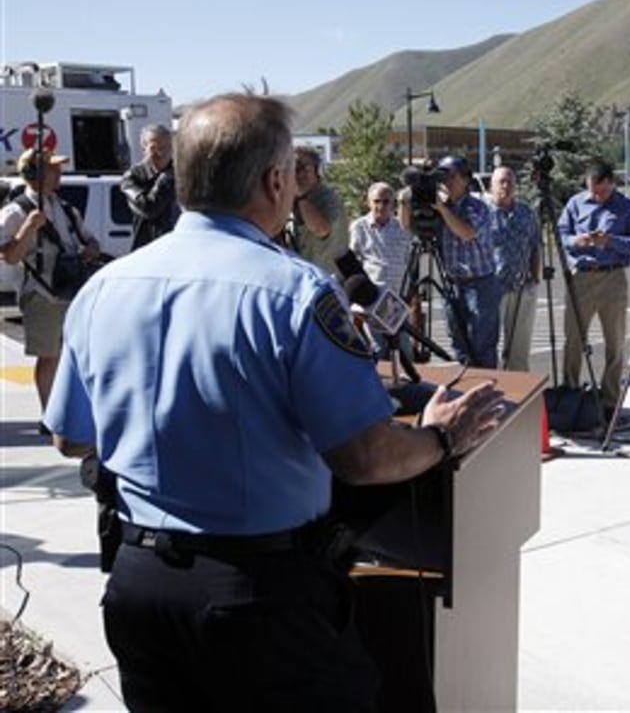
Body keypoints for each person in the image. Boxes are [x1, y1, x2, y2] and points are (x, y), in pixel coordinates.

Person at [42, 92, 507, 711]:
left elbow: (71, 437)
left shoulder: (104, 288)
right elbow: (366, 458)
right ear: (274, 181)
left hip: (140, 590)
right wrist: (441, 436)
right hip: (258, 597)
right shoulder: (295, 292)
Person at [0, 148, 101, 419]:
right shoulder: (16, 211)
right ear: (34, 174)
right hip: (41, 292)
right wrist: (28, 228)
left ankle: (70, 412)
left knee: (75, 353)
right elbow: (9, 256)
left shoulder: (65, 208)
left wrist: (90, 248)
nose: (59, 173)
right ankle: (50, 416)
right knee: (49, 356)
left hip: (71, 289)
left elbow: (90, 239)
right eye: (52, 169)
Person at [557, 160, 630, 415]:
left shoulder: (627, 207)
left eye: (602, 192)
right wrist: (577, 240)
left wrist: (610, 240)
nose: (597, 197)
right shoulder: (575, 203)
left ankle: (610, 399)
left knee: (615, 341)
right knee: (573, 339)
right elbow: (561, 235)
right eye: (593, 192)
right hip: (582, 277)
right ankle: (570, 391)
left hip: (613, 277)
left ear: (611, 183)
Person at [433, 156, 501, 368]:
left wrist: (443, 209)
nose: (447, 182)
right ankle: (466, 383)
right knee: (459, 343)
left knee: (482, 344)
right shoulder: (441, 208)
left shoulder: (477, 207)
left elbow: (467, 233)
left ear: (465, 179)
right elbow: (408, 228)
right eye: (443, 177)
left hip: (480, 283)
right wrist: (406, 200)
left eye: (452, 176)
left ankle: (488, 384)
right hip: (453, 283)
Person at [489, 165, 541, 371]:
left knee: (519, 349)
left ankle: (518, 384)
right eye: (501, 182)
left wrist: (535, 279)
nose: (506, 186)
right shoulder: (484, 214)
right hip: (493, 287)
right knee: (488, 345)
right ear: (491, 186)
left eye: (510, 182)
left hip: (521, 286)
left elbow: (535, 245)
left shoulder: (526, 213)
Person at [289, 145, 349, 278]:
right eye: (291, 167)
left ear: (316, 170)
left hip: (326, 278)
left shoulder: (329, 198)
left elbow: (321, 229)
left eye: (301, 167)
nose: (298, 174)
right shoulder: (289, 200)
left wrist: (300, 197)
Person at [119, 124, 179, 249]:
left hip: (177, 246)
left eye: (166, 147)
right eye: (154, 147)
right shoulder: (132, 177)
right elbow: (148, 209)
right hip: (147, 248)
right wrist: (165, 180)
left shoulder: (182, 174)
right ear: (144, 149)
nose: (161, 152)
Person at [349, 181, 411, 293]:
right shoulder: (359, 227)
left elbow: (410, 261)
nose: (381, 206)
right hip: (371, 293)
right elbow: (352, 261)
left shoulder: (402, 227)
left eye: (386, 201)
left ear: (392, 203)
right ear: (368, 203)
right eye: (376, 201)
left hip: (400, 293)